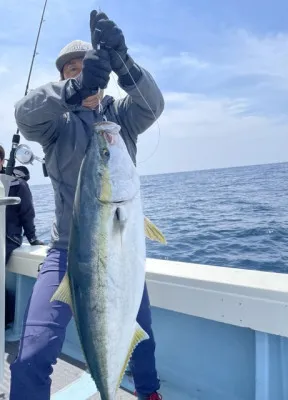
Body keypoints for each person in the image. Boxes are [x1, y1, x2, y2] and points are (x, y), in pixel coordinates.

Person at [10, 10, 164, 400]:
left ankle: (147, 394)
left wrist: (124, 62)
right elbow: (24, 113)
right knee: (32, 353)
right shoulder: (54, 125)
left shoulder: (120, 118)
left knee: (142, 346)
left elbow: (153, 105)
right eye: (71, 70)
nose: (79, 73)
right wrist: (74, 91)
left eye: (87, 68)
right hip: (66, 252)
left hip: (120, 250)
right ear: (64, 76)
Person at [0, 145, 44, 326]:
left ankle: (8, 316)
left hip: (8, 237)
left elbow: (27, 213)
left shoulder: (17, 184)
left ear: (1, 161)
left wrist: (32, 237)